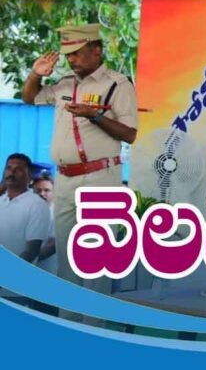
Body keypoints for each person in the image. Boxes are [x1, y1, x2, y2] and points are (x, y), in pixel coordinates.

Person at [20, 24, 139, 316]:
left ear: (96, 50)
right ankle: (69, 327)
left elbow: (130, 134)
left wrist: (95, 116)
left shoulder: (117, 84)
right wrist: (36, 74)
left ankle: (95, 331)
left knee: (97, 260)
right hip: (64, 179)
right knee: (67, 259)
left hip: (100, 178)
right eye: (68, 55)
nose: (71, 59)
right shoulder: (64, 84)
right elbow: (29, 98)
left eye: (76, 53)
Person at [0, 154, 50, 263]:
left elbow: (32, 250)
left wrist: (8, 269)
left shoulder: (37, 205)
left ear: (30, 176)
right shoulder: (1, 201)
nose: (11, 173)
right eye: (9, 168)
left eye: (18, 169)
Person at [32, 175, 57, 274]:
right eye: (38, 190)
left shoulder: (58, 214)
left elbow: (53, 245)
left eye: (47, 190)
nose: (42, 194)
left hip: (48, 270)